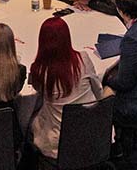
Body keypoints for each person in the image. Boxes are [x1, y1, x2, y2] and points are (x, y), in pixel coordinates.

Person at [28, 15, 104, 161]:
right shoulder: (83, 59)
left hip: (58, 140)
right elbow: (98, 90)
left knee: (28, 116)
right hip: (91, 131)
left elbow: (37, 94)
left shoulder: (39, 70)